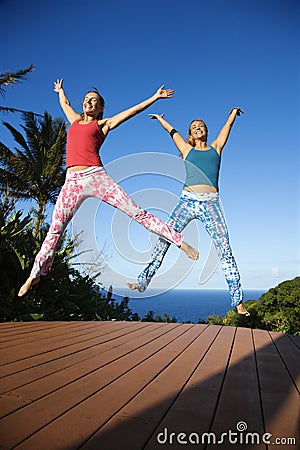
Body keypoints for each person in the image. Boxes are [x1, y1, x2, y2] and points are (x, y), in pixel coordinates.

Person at [18, 79, 199, 297]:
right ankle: (35, 274)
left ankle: (180, 242)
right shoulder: (74, 121)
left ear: (101, 108)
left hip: (96, 176)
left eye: (94, 101)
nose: (89, 103)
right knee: (56, 228)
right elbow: (65, 104)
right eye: (86, 100)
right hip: (72, 181)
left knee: (138, 213)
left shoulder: (103, 125)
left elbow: (132, 111)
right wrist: (60, 91)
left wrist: (155, 97)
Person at [127, 109, 250, 315]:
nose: (198, 128)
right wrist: (160, 119)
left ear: (206, 132)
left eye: (201, 125)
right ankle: (142, 282)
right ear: (191, 135)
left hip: (211, 204)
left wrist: (232, 115)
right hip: (187, 200)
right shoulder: (186, 149)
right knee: (164, 237)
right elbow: (172, 132)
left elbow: (226, 129)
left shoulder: (216, 148)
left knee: (225, 248)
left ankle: (237, 301)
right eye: (194, 127)